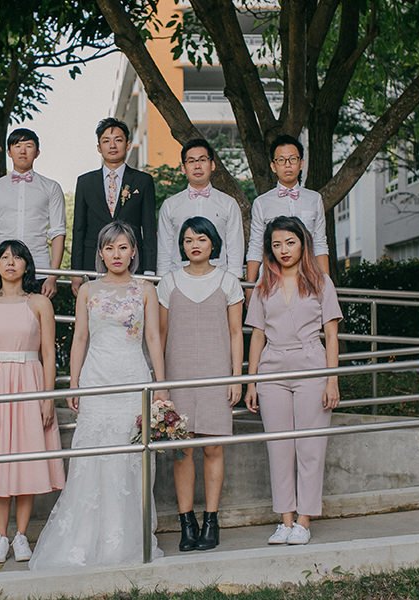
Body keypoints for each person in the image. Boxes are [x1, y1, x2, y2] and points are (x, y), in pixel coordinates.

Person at [29, 221, 167, 569]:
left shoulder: (146, 289)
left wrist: (161, 385)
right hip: (97, 378)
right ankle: (86, 539)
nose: (116, 254)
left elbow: (153, 338)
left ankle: (126, 538)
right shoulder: (88, 290)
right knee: (93, 456)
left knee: (131, 458)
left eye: (123, 247)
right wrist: (74, 383)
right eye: (109, 248)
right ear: (101, 253)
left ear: (133, 252)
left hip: (133, 377)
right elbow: (80, 338)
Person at [243, 216, 342, 546]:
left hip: (311, 363)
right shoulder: (264, 284)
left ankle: (304, 520)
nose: (283, 250)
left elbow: (331, 334)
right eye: (276, 244)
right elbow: (257, 335)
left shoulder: (320, 282)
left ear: (302, 243)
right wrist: (251, 382)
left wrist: (331, 380)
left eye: (289, 242)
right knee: (279, 447)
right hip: (272, 367)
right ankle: (285, 520)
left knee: (310, 446)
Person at [0, 240, 65, 564]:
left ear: (26, 265)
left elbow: (48, 352)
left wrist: (47, 397)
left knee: (26, 457)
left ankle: (21, 535)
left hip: (29, 382)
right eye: (4, 257)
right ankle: (1, 536)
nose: (11, 262)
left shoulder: (39, 303)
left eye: (17, 257)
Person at [157, 216, 244, 552]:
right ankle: (187, 522)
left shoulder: (228, 282)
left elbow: (236, 333)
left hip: (216, 373)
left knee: (213, 447)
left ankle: (211, 520)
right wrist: (161, 383)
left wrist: (236, 377)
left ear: (213, 244)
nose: (195, 245)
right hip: (178, 374)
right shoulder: (168, 283)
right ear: (181, 245)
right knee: (182, 451)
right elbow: (161, 334)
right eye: (188, 239)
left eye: (202, 239)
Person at [70, 118, 157, 295]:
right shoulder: (85, 182)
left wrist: (149, 271)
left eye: (118, 140)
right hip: (92, 263)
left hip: (132, 263)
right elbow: (78, 229)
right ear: (99, 147)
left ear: (127, 144)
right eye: (106, 141)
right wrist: (76, 272)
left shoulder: (143, 181)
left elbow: (149, 229)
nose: (112, 145)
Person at [0, 128, 66, 299]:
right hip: (3, 270)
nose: (23, 151)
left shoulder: (51, 188)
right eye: (17, 146)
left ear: (37, 152)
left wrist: (52, 277)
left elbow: (58, 233)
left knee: (38, 316)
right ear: (9, 152)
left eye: (29, 146)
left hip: (39, 270)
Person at [245, 135, 329, 298]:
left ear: (301, 163)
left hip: (308, 278)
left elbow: (320, 243)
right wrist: (249, 287)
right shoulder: (261, 203)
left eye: (292, 159)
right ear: (273, 166)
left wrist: (326, 286)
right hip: (272, 279)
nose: (287, 165)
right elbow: (256, 245)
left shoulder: (314, 199)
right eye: (281, 160)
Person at [156, 139, 244, 278]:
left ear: (212, 165)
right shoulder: (170, 205)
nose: (197, 166)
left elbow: (235, 247)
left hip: (218, 279)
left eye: (202, 160)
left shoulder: (228, 204)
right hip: (179, 278)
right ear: (183, 168)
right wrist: (163, 279)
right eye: (191, 161)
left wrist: (234, 280)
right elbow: (164, 250)